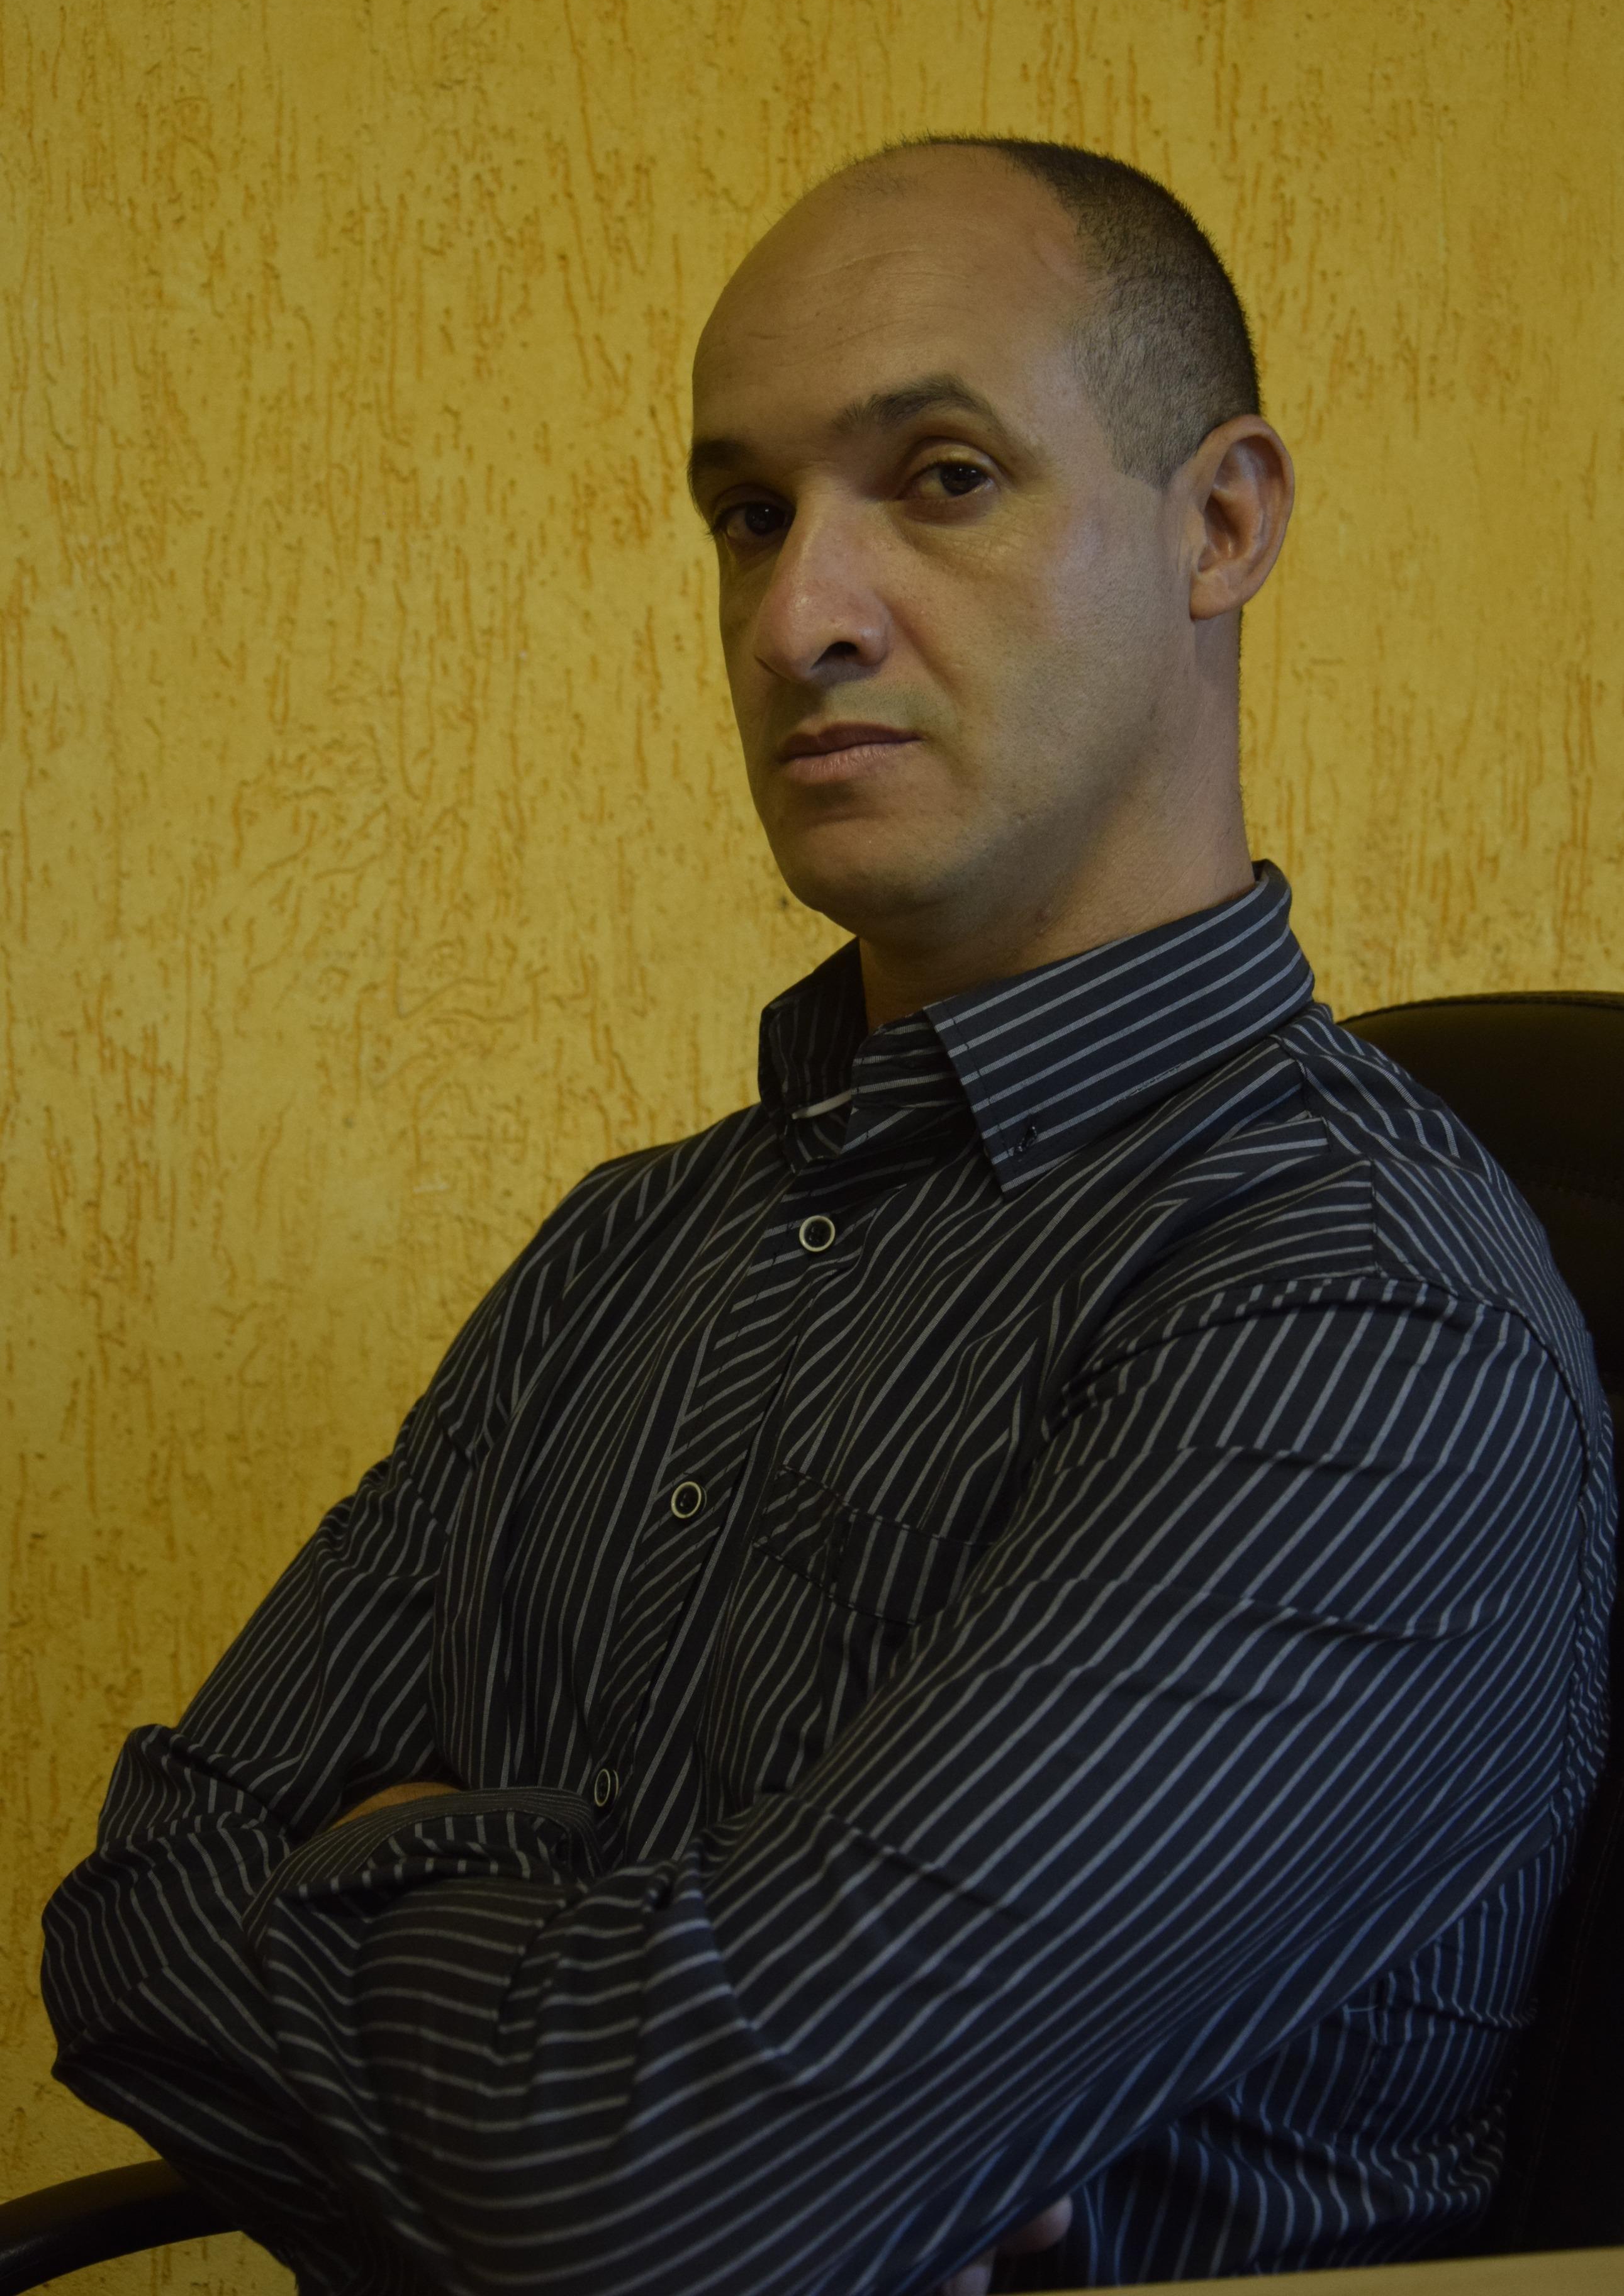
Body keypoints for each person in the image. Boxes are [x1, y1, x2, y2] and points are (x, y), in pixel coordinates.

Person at [43, 139, 1613, 2296]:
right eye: (749, 514)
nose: (801, 617)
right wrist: (649, 2017)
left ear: (1221, 524)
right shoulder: (631, 1244)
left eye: (945, 479)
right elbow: (135, 1909)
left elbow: (653, 2206)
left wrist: (402, 1866)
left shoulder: (1360, 1322)